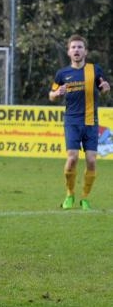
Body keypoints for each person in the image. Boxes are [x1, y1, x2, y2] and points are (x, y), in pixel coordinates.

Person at [49, 34, 110, 210]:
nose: (76, 50)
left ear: (85, 51)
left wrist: (105, 88)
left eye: (80, 47)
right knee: (72, 158)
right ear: (69, 52)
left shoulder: (95, 70)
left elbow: (103, 87)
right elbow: (51, 95)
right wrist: (57, 93)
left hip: (91, 121)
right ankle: (69, 194)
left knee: (91, 160)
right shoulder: (62, 73)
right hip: (72, 120)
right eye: (73, 47)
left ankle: (85, 198)